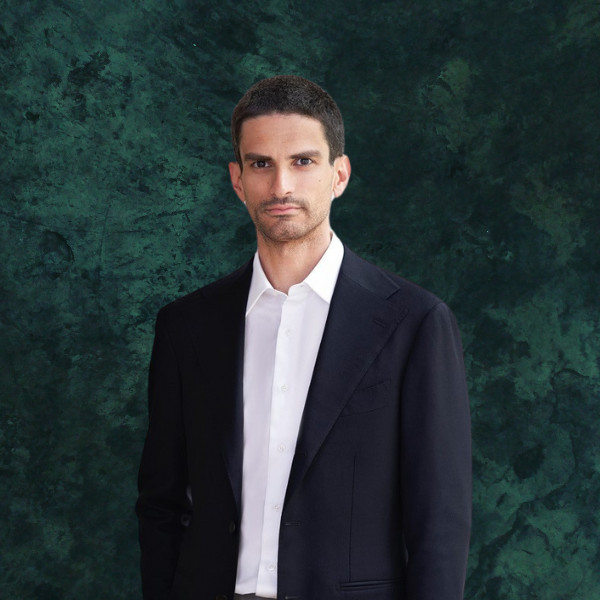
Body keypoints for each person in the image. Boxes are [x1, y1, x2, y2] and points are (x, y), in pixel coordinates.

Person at [136, 75, 471, 600]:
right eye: (260, 164)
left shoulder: (414, 323)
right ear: (237, 179)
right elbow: (162, 501)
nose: (281, 186)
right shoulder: (187, 326)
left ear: (339, 174)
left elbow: (440, 520)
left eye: (303, 161)